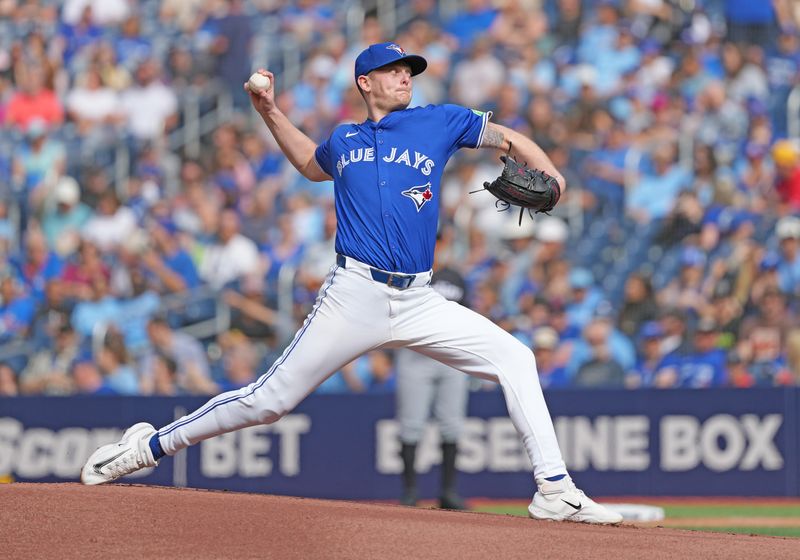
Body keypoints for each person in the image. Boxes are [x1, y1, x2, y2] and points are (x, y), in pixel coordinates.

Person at [80, 42, 622, 525]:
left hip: (419, 297)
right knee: (270, 401)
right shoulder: (344, 138)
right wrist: (268, 110)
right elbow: (308, 164)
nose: (406, 77)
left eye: (409, 70)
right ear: (366, 82)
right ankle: (148, 447)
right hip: (354, 294)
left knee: (516, 359)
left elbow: (508, 136)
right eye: (394, 70)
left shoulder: (440, 120)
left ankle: (555, 490)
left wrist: (552, 172)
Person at [395, 257, 470, 510]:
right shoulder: (408, 268)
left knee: (452, 425)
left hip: (450, 353)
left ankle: (448, 491)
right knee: (411, 424)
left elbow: (468, 312)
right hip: (416, 354)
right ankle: (410, 492)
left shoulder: (454, 277)